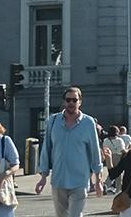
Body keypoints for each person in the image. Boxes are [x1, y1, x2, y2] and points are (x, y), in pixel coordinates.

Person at [36, 87, 104, 217]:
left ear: (80, 102)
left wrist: (98, 180)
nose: (71, 103)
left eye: (74, 100)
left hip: (80, 181)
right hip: (59, 180)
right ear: (64, 102)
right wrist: (43, 176)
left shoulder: (88, 123)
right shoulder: (53, 121)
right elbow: (46, 149)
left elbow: (95, 151)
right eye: (68, 100)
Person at [102, 126, 126, 193]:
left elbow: (104, 149)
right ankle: (118, 189)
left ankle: (105, 185)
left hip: (108, 157)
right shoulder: (119, 140)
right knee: (118, 174)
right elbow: (122, 150)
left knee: (111, 173)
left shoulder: (106, 140)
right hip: (117, 157)